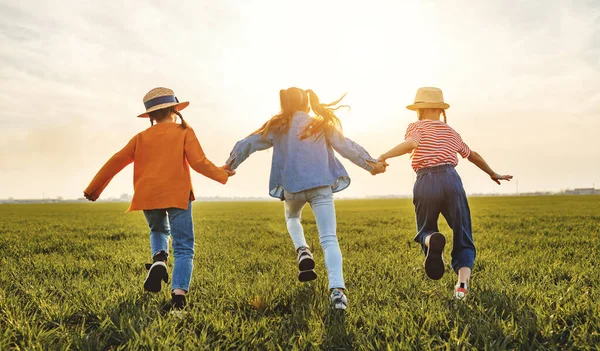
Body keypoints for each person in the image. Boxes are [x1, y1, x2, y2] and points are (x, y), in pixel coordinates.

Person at [225, 87, 386, 310]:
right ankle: (337, 293)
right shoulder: (320, 124)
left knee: (292, 218)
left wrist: (229, 165)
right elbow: (347, 147)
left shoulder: (278, 126)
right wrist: (371, 164)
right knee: (329, 239)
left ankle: (302, 250)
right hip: (321, 186)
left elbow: (248, 143)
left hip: (293, 187)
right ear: (306, 103)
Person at [83, 87, 234, 310]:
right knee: (183, 248)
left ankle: (159, 259)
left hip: (147, 194)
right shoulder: (184, 131)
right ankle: (178, 300)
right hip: (177, 194)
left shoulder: (140, 138)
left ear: (151, 116)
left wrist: (93, 189)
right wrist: (222, 173)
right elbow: (199, 162)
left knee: (159, 231)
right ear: (174, 109)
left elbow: (115, 161)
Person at [378, 87, 512, 299]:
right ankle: (461, 287)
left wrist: (384, 155)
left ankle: (432, 241)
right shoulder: (450, 131)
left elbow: (411, 144)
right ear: (441, 110)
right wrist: (492, 173)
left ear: (419, 110)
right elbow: (472, 155)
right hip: (451, 180)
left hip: (425, 181)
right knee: (463, 235)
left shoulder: (416, 126)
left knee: (425, 230)